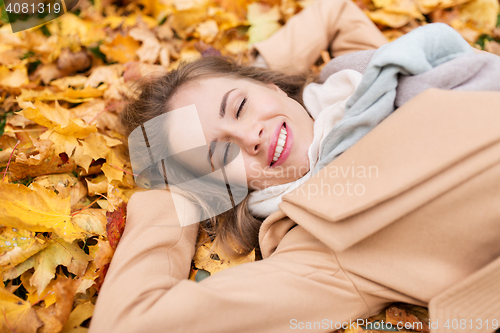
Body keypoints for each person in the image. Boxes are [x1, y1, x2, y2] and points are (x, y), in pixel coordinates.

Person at [89, 2, 500, 333]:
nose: (249, 136)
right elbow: (130, 323)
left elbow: (336, 12)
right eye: (220, 156)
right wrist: (172, 196)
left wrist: (261, 60)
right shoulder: (315, 248)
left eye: (240, 106)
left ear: (272, 87)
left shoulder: (360, 85)